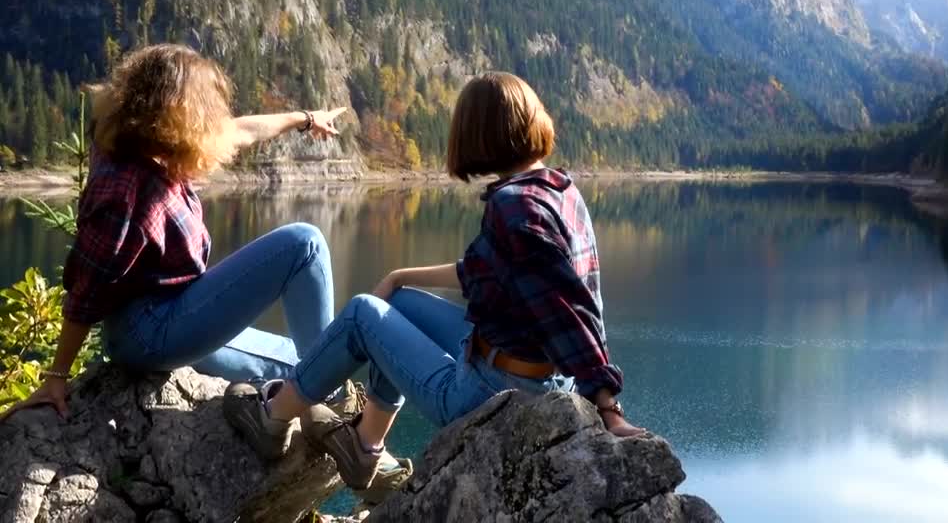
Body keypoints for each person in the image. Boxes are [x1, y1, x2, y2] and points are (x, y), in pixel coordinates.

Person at [224, 72, 644, 504]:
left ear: (479, 134)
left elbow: (567, 311)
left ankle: (271, 418)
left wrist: (607, 404)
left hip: (489, 393)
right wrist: (401, 276)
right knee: (396, 302)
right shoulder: (559, 189)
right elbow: (491, 273)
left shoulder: (513, 207)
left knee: (361, 315)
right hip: (528, 371)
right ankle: (364, 448)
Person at [0, 44, 350, 421]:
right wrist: (56, 377)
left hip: (178, 315)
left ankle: (324, 394)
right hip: (149, 333)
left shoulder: (158, 147)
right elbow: (88, 287)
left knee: (299, 364)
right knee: (305, 243)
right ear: (182, 112)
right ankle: (329, 400)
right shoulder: (125, 184)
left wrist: (306, 118)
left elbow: (242, 130)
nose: (216, 117)